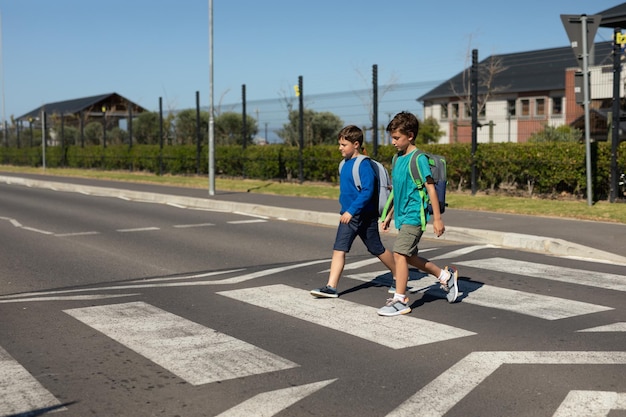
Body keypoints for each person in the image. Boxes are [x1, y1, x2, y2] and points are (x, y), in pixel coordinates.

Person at [378, 111, 459, 316]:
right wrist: (388, 215)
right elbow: (398, 189)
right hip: (402, 215)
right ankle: (444, 276)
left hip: (416, 215)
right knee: (410, 257)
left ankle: (400, 299)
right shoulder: (397, 159)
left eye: (397, 138)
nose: (393, 142)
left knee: (399, 253)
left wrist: (438, 219)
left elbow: (430, 188)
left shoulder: (419, 158)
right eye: (392, 138)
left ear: (410, 135)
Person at [310, 125, 396, 298]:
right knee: (340, 248)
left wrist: (351, 211)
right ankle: (331, 287)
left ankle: (399, 274)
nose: (340, 148)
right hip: (349, 215)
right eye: (340, 144)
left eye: (343, 144)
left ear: (356, 144)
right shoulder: (344, 164)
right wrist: (346, 210)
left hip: (362, 215)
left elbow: (367, 191)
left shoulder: (363, 164)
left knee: (376, 248)